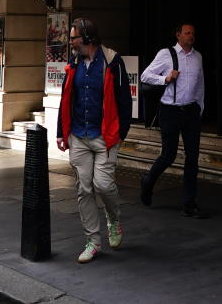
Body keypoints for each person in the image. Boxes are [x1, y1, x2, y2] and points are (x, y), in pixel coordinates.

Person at [55, 18, 131, 264]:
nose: (71, 42)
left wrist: (121, 133)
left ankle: (114, 219)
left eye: (74, 37)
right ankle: (93, 241)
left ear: (87, 38)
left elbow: (124, 100)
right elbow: (66, 97)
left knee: (103, 185)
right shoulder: (73, 63)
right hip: (78, 134)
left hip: (104, 136)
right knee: (83, 188)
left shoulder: (112, 62)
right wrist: (60, 131)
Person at [140, 22, 207, 218]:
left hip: (191, 111)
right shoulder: (166, 54)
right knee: (168, 155)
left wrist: (200, 107)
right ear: (178, 35)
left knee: (192, 158)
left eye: (193, 33)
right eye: (187, 33)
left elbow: (201, 83)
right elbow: (146, 75)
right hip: (170, 110)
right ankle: (148, 181)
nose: (191, 36)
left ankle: (189, 202)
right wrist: (165, 79)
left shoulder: (198, 57)